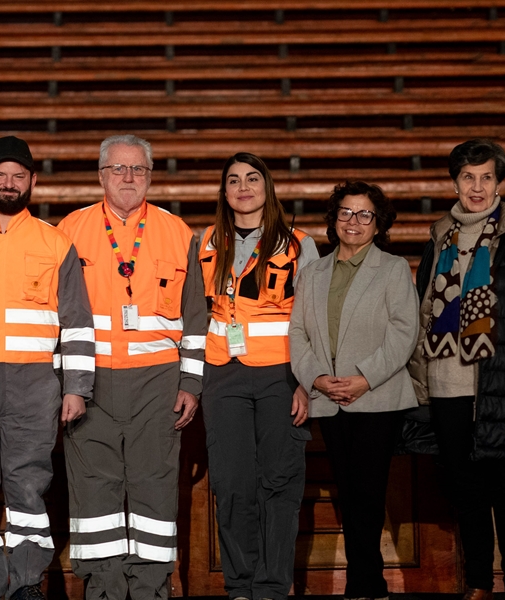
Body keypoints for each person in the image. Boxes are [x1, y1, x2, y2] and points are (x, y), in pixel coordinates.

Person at [0, 137, 95, 600]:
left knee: (29, 483)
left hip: (33, 382)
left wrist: (78, 388)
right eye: (0, 174)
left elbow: (77, 322)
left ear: (33, 182)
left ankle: (26, 583)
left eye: (19, 175)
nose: (9, 183)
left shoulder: (55, 242)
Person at [57, 134, 206, 600]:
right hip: (90, 380)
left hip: (157, 383)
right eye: (118, 169)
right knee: (94, 490)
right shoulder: (69, 230)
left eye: (137, 169)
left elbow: (196, 317)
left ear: (150, 176)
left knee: (154, 488)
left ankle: (150, 588)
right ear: (101, 175)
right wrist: (64, 383)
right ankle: (101, 588)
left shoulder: (177, 232)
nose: (127, 177)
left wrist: (191, 382)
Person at [412, 140, 505, 600]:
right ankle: (478, 582)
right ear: (454, 182)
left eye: (486, 177)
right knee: (466, 490)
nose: (477, 187)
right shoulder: (439, 237)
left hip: (501, 383)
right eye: (468, 178)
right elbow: (423, 314)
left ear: (499, 182)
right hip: (445, 382)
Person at [289, 180, 418, 600]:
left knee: (368, 491)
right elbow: (298, 334)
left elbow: (404, 332)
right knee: (348, 489)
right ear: (334, 219)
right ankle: (365, 580)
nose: (354, 221)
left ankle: (367, 582)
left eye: (365, 214)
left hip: (376, 397)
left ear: (378, 224)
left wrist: (364, 378)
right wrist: (317, 379)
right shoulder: (312, 273)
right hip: (329, 398)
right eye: (346, 212)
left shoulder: (394, 268)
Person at [198, 153, 318, 600]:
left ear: (267, 188)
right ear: (224, 191)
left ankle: (272, 587)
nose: (243, 187)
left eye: (252, 179)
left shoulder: (299, 244)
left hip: (280, 376)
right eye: (233, 180)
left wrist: (306, 381)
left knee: (280, 482)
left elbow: (312, 322)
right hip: (222, 375)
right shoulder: (206, 242)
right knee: (231, 483)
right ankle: (240, 586)